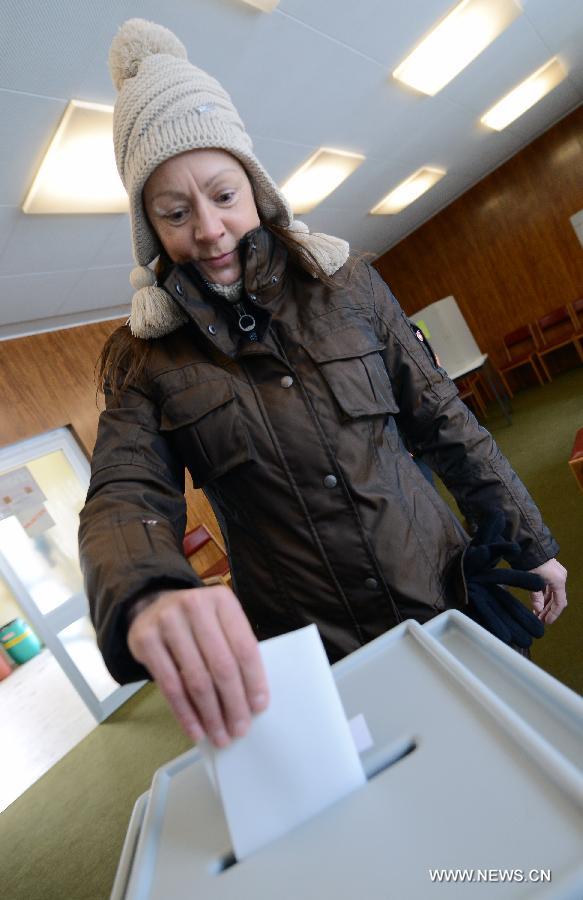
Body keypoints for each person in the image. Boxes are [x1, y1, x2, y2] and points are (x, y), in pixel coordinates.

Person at [79, 18, 567, 750]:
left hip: (444, 597)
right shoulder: (143, 363)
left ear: (258, 192)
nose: (208, 230)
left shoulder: (349, 289)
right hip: (320, 657)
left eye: (222, 196)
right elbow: (122, 493)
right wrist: (143, 589)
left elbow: (443, 422)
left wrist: (528, 539)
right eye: (174, 213)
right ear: (149, 230)